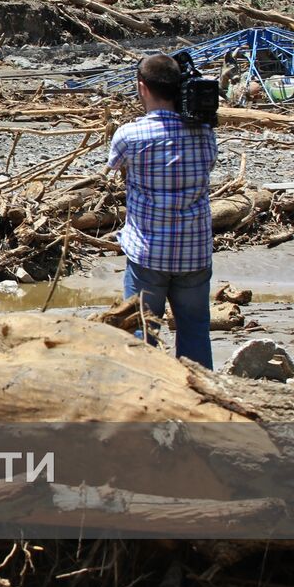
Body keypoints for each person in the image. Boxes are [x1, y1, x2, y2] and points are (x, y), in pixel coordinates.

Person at [108, 54, 218, 368]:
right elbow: (209, 165)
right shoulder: (204, 133)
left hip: (148, 255)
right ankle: (200, 399)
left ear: (142, 87)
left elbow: (115, 166)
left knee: (142, 335)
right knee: (195, 330)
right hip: (194, 253)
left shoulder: (130, 135)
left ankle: (147, 402)